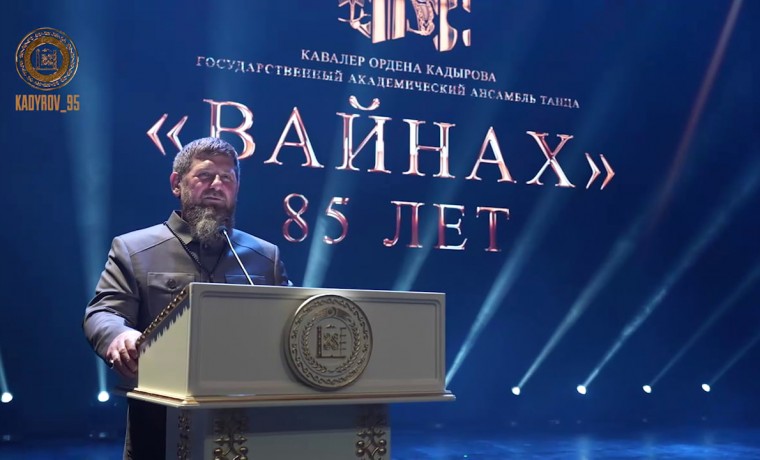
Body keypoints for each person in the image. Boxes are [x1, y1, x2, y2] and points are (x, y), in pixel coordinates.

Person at [83, 137, 291, 459]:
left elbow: (294, 320)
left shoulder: (265, 256)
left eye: (227, 178)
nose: (217, 185)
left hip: (249, 427)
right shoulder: (134, 249)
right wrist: (119, 335)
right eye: (205, 176)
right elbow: (103, 312)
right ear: (176, 184)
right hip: (162, 427)